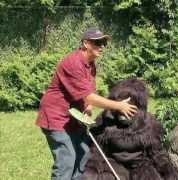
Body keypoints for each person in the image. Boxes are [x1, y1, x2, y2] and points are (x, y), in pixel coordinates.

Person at [35, 27, 137, 180]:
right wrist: (119, 106)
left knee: (84, 152)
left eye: (104, 43)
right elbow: (89, 96)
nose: (102, 46)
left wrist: (88, 108)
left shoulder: (91, 65)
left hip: (74, 116)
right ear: (85, 43)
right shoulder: (73, 63)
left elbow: (88, 93)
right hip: (56, 116)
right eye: (97, 42)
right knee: (67, 160)